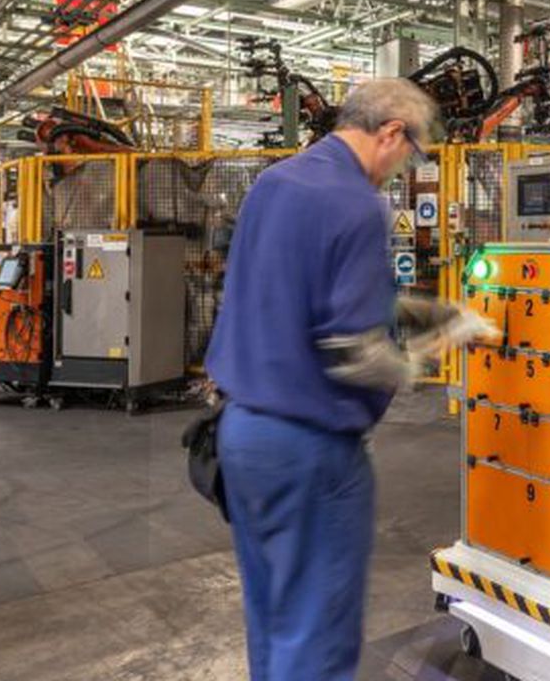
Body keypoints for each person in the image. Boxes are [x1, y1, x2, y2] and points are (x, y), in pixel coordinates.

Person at [206, 78, 489, 681]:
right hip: (311, 452)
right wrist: (437, 348)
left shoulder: (276, 182)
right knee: (319, 631)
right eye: (410, 153)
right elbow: (355, 353)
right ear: (390, 132)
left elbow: (300, 292)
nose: (403, 168)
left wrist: (427, 310)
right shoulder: (358, 203)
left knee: (274, 613)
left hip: (240, 438)